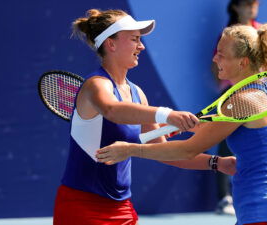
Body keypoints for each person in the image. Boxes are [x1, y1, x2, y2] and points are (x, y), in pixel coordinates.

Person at [96, 23, 267, 225]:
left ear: (243, 63)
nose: (214, 58)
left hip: (264, 215)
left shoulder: (244, 100)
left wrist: (130, 150)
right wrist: (183, 122)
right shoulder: (261, 92)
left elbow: (187, 150)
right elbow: (213, 130)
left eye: (221, 54)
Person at [53, 9, 236, 225]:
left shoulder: (137, 93)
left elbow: (164, 153)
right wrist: (167, 115)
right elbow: (112, 110)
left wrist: (218, 163)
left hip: (122, 208)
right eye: (134, 39)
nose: (141, 46)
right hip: (82, 207)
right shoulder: (96, 85)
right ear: (111, 45)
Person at [212, 0, 261, 215]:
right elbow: (216, 67)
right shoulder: (227, 35)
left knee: (253, 142)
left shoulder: (261, 32)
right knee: (225, 144)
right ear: (236, 7)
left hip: (257, 95)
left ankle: (250, 192)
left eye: (254, 3)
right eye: (246, 3)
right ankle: (224, 197)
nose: (251, 7)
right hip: (230, 93)